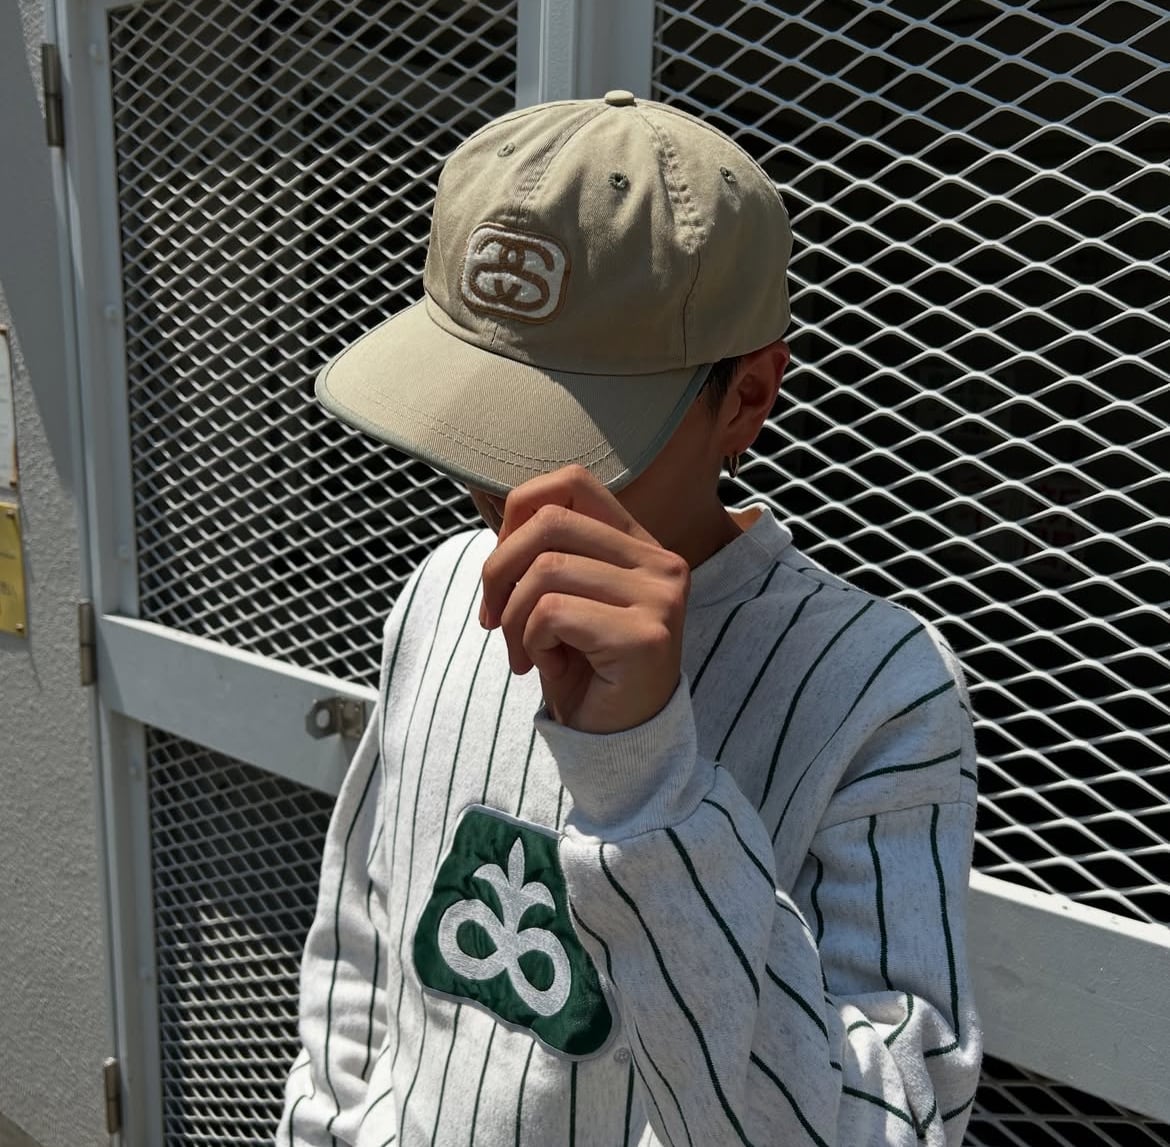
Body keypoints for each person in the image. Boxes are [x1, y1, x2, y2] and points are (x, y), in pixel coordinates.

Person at [276, 91, 982, 1146]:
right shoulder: (444, 584)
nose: (498, 481)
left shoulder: (880, 688)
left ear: (747, 395)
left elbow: (891, 1124)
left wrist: (650, 778)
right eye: (473, 401)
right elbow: (363, 939)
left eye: (571, 423)